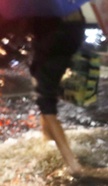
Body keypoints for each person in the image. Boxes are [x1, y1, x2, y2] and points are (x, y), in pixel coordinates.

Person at [27, 11, 85, 175]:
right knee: (45, 98)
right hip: (64, 53)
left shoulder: (41, 4)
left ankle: (73, 165)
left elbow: (36, 31)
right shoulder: (71, 3)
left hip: (48, 55)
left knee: (46, 105)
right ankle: (48, 143)